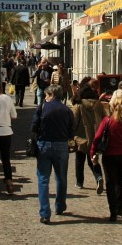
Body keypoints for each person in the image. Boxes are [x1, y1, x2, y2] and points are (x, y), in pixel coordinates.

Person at [90, 89, 122, 223]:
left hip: (109, 155)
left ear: (112, 106)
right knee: (121, 182)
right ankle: (119, 210)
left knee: (110, 183)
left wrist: (92, 152)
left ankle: (113, 212)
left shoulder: (107, 121)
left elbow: (97, 138)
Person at [33, 85, 74, 224]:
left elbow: (33, 126)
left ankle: (45, 213)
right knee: (61, 177)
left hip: (44, 144)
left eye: (46, 95)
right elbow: (71, 130)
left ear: (52, 95)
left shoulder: (42, 108)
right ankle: (60, 205)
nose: (45, 98)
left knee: (43, 179)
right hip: (61, 145)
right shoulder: (67, 110)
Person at [71, 77, 107, 193]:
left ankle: (79, 182)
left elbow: (74, 121)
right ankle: (98, 177)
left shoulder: (79, 105)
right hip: (96, 137)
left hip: (81, 137)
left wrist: (71, 134)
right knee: (93, 160)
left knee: (79, 160)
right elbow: (105, 119)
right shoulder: (98, 104)